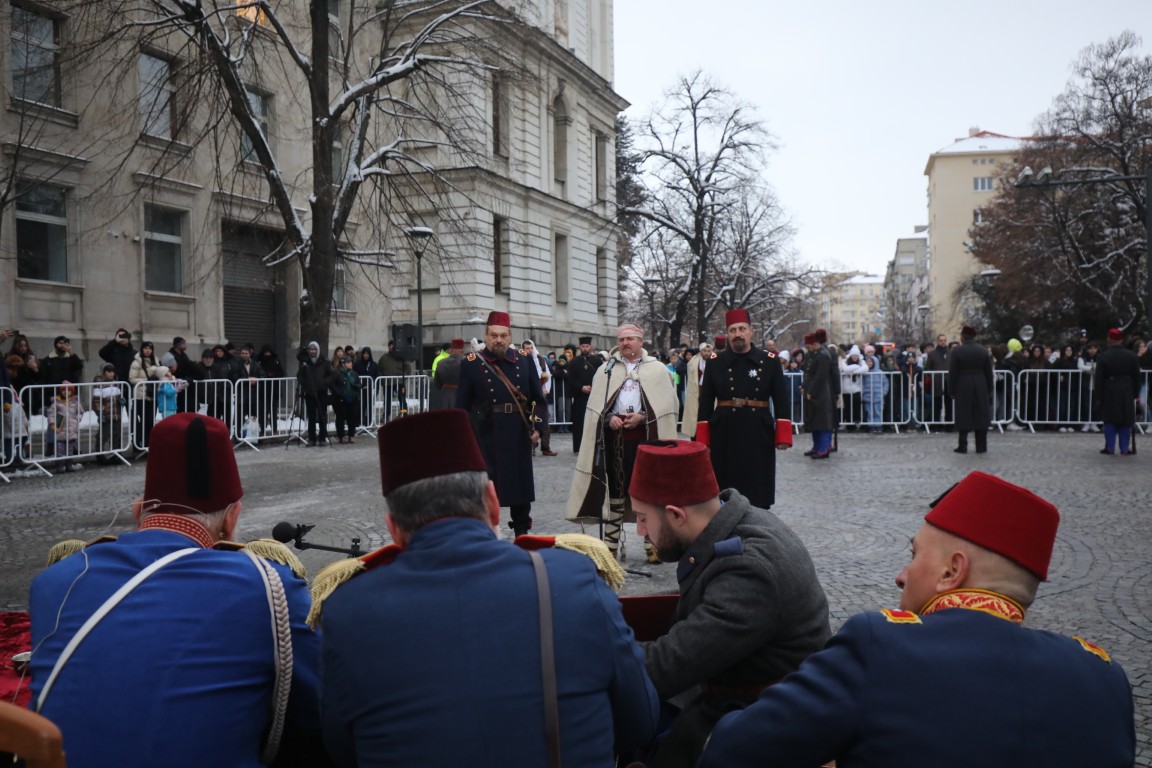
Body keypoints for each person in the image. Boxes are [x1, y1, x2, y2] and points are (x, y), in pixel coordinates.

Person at [698, 470, 1135, 768]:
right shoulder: (1105, 679)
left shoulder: (881, 646)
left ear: (952, 571)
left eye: (913, 555)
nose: (901, 575)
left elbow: (732, 751)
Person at [314, 409, 659, 767]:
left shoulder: (348, 611)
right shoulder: (574, 580)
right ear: (494, 504)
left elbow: (341, 748)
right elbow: (640, 722)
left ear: (393, 529)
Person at [28, 412, 330, 768]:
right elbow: (321, 712)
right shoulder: (269, 587)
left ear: (138, 511)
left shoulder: (53, 581)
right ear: (232, 518)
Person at [628, 440, 830, 768]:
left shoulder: (750, 570)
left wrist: (590, 652)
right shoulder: (736, 522)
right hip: (731, 691)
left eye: (641, 518)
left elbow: (665, 666)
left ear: (676, 515)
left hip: (763, 722)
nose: (640, 532)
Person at [566, 324, 679, 562]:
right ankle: (610, 545)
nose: (625, 343)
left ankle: (653, 544)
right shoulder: (605, 370)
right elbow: (596, 406)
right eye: (621, 339)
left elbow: (668, 407)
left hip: (646, 440)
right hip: (615, 441)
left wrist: (643, 417)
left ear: (641, 341)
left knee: (648, 494)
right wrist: (608, 418)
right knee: (615, 492)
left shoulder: (657, 370)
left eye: (630, 339)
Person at [456, 311, 546, 536]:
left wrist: (537, 427)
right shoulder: (471, 364)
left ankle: (522, 535)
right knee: (485, 492)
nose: (499, 340)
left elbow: (538, 399)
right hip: (485, 435)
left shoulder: (524, 361)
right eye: (494, 335)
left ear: (510, 336)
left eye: (503, 335)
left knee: (520, 491)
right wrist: (464, 439)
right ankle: (485, 538)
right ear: (486, 336)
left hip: (517, 433)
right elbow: (461, 407)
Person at [696, 309, 792, 509]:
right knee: (725, 484)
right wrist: (703, 439)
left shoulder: (769, 360)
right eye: (732, 330)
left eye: (742, 329)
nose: (737, 334)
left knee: (757, 483)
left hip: (758, 430)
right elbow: (705, 402)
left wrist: (783, 435)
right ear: (728, 333)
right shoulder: (715, 362)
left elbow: (781, 398)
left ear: (751, 331)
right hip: (724, 431)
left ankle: (758, 526)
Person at [947, 325, 994, 453]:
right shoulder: (983, 350)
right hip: (980, 383)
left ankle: (963, 445)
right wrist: (990, 388)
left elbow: (953, 372)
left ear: (963, 336)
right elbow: (989, 372)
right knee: (981, 414)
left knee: (963, 413)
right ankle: (981, 445)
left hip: (963, 383)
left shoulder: (957, 351)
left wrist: (951, 390)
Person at [1095, 328, 1140, 456]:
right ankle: (1124, 448)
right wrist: (1135, 393)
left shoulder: (1103, 356)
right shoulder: (1132, 356)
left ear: (1109, 340)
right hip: (1127, 389)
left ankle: (1110, 447)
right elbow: (1137, 377)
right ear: (1121, 340)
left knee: (1109, 420)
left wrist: (1098, 396)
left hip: (1109, 389)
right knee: (1126, 420)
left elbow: (1099, 379)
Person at [801, 333, 835, 458]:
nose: (807, 349)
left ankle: (823, 448)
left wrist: (811, 392)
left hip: (820, 393)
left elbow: (820, 377)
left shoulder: (823, 356)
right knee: (814, 421)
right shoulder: (812, 355)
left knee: (822, 422)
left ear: (815, 344)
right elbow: (808, 373)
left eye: (809, 346)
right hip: (811, 390)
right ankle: (816, 447)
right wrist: (804, 386)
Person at [522, 339, 557, 456]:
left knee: (544, 421)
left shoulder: (540, 360)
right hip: (527, 397)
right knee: (529, 422)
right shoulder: (521, 360)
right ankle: (530, 446)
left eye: (531, 348)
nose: (529, 350)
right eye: (527, 348)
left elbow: (548, 375)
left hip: (540, 396)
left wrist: (546, 389)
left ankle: (545, 447)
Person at [297, 341, 334, 447]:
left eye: (314, 349)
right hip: (309, 393)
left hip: (321, 392)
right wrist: (304, 384)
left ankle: (322, 437)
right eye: (311, 349)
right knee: (311, 417)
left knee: (322, 416)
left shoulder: (324, 361)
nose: (313, 351)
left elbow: (330, 375)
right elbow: (300, 376)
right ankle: (312, 438)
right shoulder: (305, 362)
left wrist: (324, 383)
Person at [128, 340, 163, 451]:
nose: (148, 351)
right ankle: (139, 444)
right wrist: (147, 380)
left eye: (150, 348)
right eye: (145, 348)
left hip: (152, 395)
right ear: (142, 349)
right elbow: (132, 378)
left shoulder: (156, 361)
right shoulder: (136, 362)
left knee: (150, 421)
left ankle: (148, 443)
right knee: (141, 421)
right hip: (140, 396)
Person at [569, 335, 601, 453]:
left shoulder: (597, 361)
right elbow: (570, 379)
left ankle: (593, 447)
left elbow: (601, 377)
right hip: (579, 397)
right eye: (583, 346)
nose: (585, 348)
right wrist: (581, 387)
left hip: (593, 397)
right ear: (580, 347)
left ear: (590, 347)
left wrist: (594, 388)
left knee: (593, 422)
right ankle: (578, 447)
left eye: (587, 346)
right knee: (579, 422)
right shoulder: (574, 362)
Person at [329, 355, 363, 444]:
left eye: (351, 362)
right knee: (340, 418)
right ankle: (341, 436)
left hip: (353, 398)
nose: (350, 364)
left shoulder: (354, 373)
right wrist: (340, 393)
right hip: (340, 399)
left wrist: (356, 386)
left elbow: (359, 383)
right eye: (348, 362)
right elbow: (332, 385)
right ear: (343, 364)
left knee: (352, 418)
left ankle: (351, 435)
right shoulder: (337, 373)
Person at [681, 342, 712, 439]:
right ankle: (695, 437)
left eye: (708, 351)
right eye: (704, 351)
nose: (706, 353)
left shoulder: (715, 359)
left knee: (707, 416)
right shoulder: (694, 361)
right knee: (695, 417)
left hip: (709, 392)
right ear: (700, 351)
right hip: (696, 392)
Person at [430, 338, 465, 410]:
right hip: (460, 397)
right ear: (462, 350)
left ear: (451, 350)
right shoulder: (466, 362)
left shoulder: (440, 362)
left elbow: (437, 384)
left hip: (444, 397)